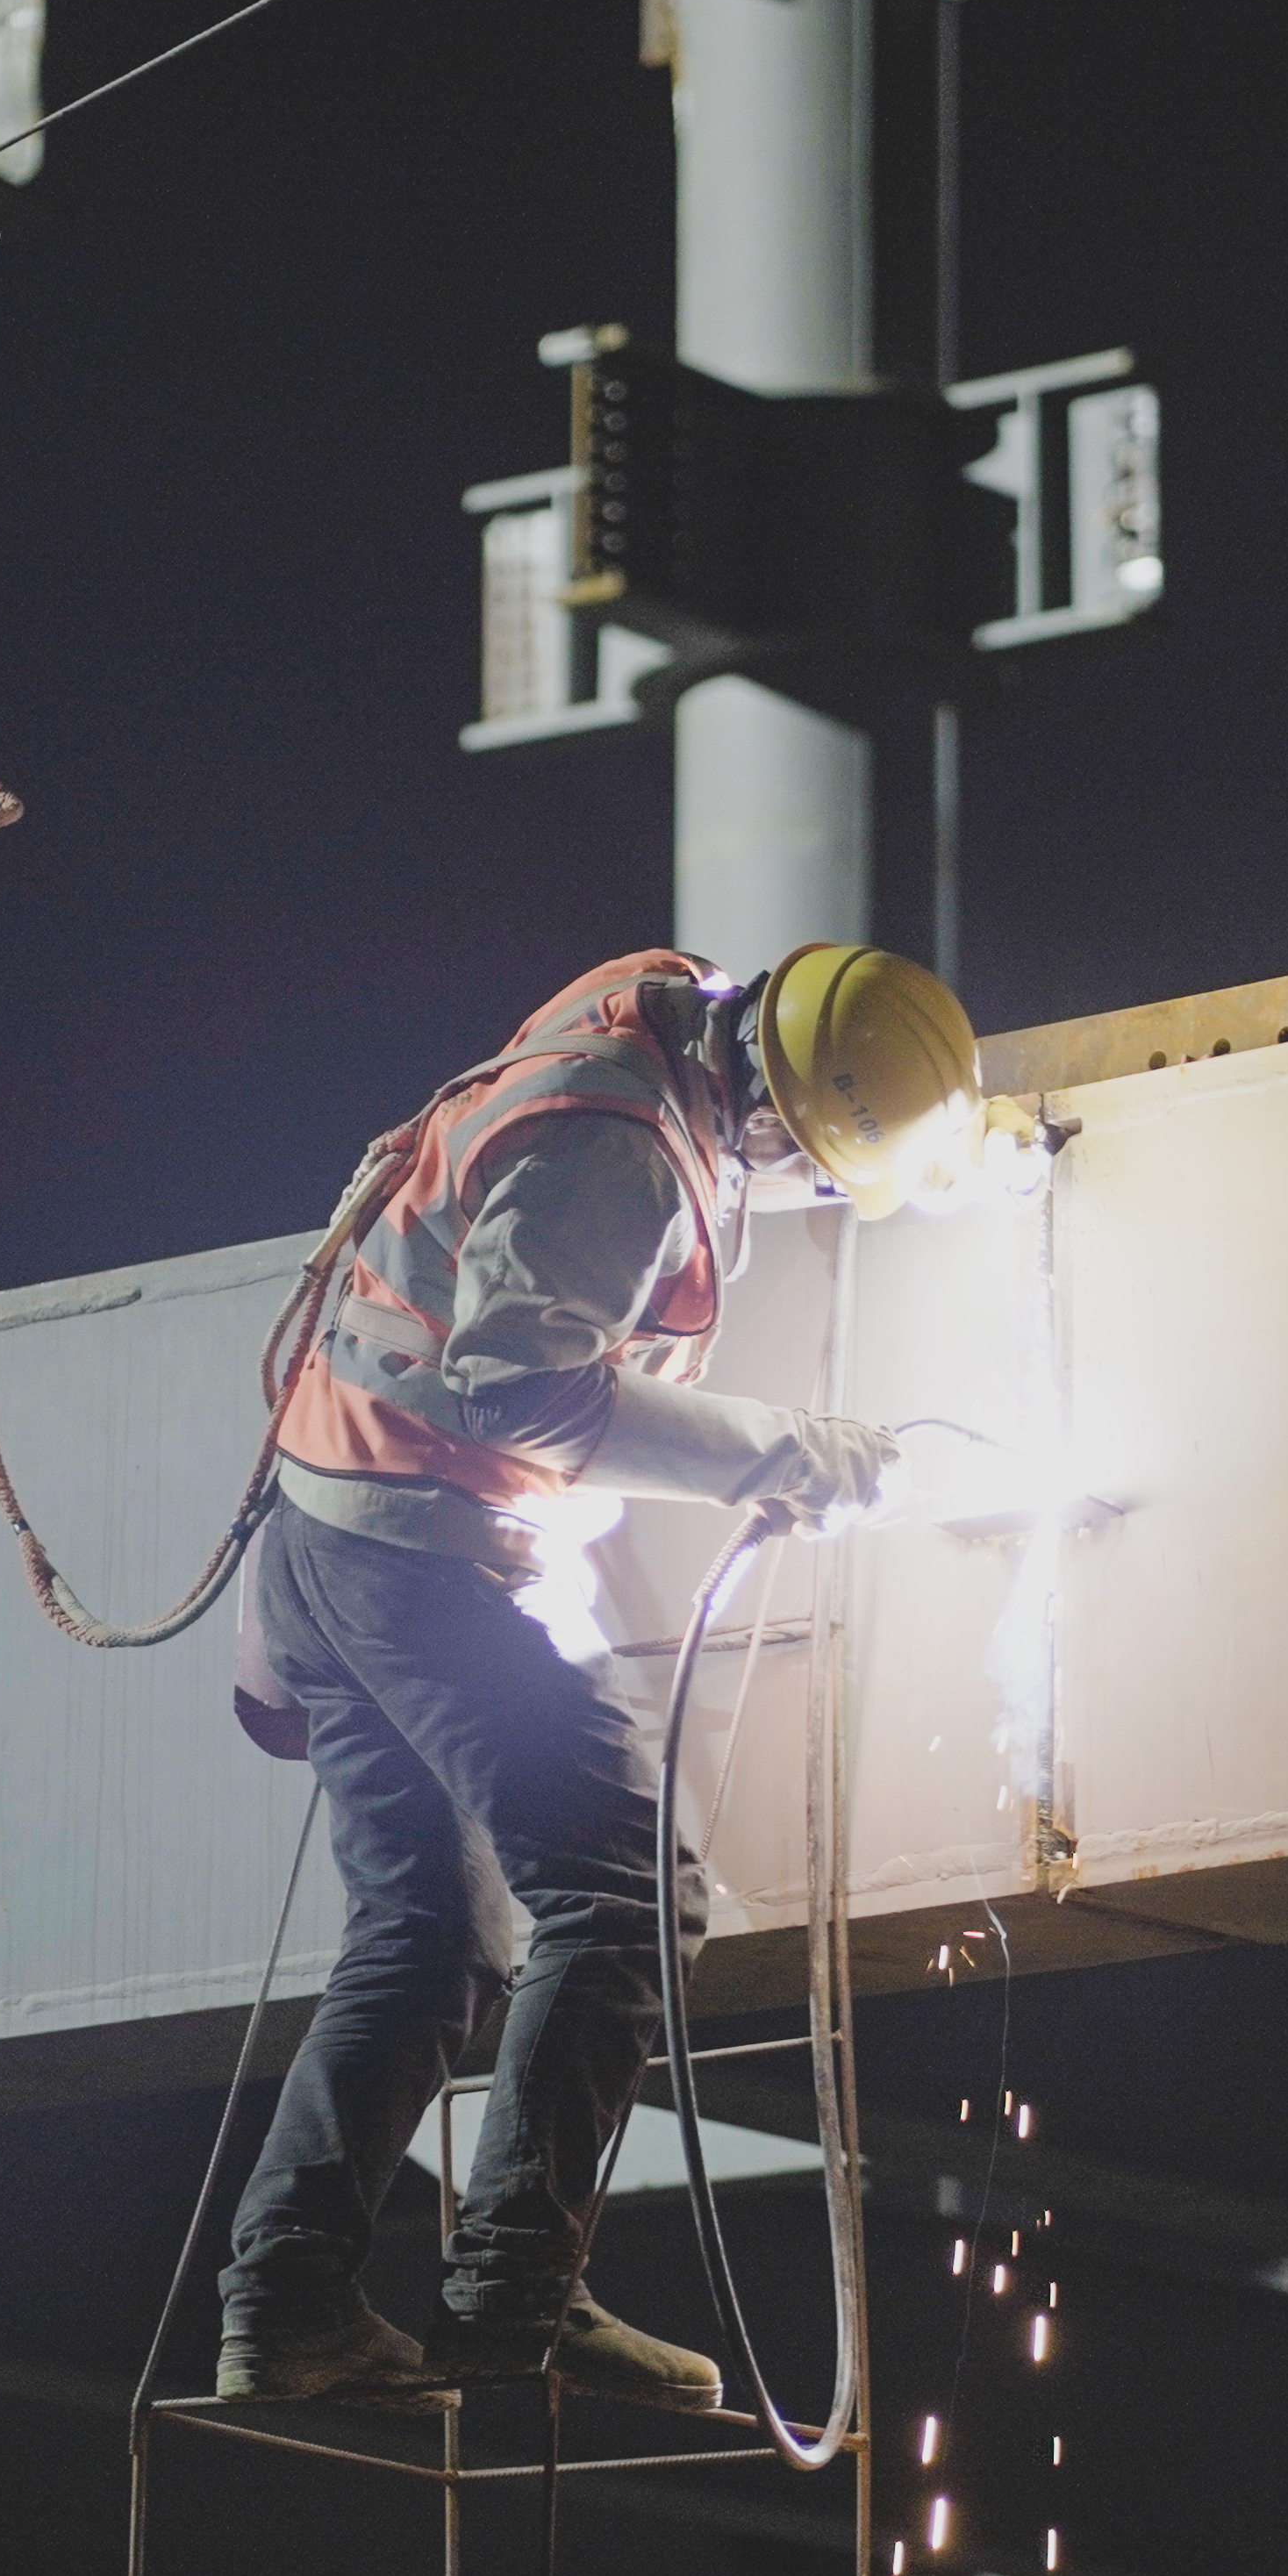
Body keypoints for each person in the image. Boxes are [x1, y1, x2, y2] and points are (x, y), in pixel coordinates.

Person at [217, 942, 987, 2410]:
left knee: (428, 1941)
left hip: (328, 1547)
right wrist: (796, 1458)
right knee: (628, 1897)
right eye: (806, 1157)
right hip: (411, 1562)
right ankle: (515, 2292)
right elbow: (518, 1387)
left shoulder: (655, 1013)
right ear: (769, 1097)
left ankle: (289, 2306)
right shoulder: (623, 1154)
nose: (794, 1177)